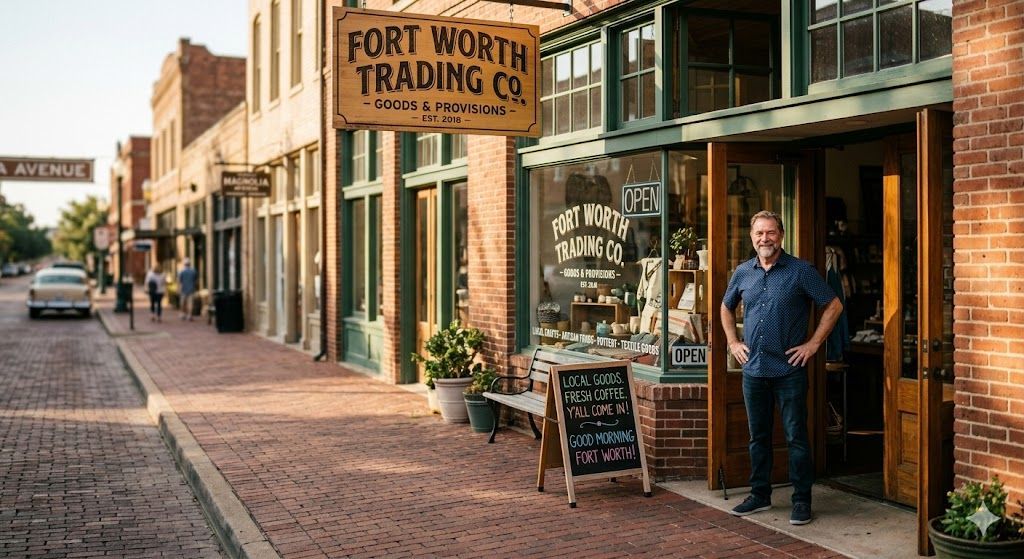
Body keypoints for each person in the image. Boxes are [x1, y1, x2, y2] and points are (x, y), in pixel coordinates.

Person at [720, 210, 843, 526]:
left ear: (781, 235)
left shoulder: (800, 271)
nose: (765, 239)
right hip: (754, 371)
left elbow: (833, 304)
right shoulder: (743, 272)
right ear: (752, 237)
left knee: (796, 437)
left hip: (789, 370)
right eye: (759, 233)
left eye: (771, 232)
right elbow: (725, 307)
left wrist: (814, 344)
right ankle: (760, 495)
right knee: (757, 437)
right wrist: (733, 342)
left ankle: (801, 501)